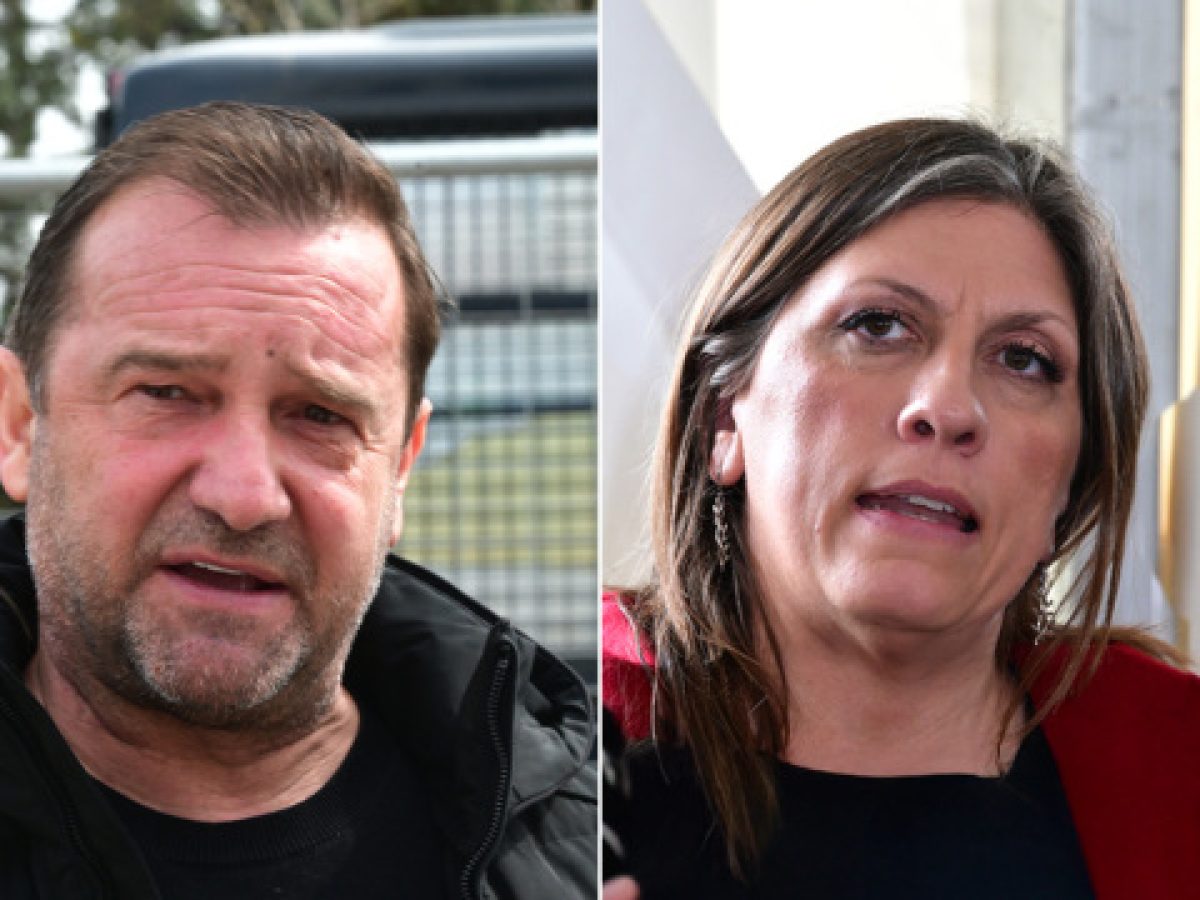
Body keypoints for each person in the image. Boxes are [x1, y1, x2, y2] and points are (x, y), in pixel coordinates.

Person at [0, 101, 595, 899]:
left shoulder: (574, 844)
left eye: (320, 416)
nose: (245, 497)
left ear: (401, 466)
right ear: (20, 425)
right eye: (168, 392)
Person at [602, 117, 1200, 899]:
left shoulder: (1175, 759)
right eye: (877, 326)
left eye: (1024, 360)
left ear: (1070, 484)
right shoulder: (547, 747)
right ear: (724, 418)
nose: (948, 407)